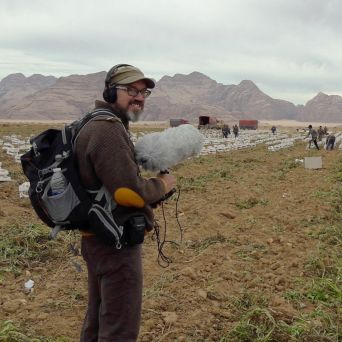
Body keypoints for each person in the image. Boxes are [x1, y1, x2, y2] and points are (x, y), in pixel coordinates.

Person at [76, 64, 176, 342]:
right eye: (130, 90)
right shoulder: (107, 130)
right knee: (119, 327)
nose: (139, 97)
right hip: (115, 243)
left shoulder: (93, 121)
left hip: (97, 239)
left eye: (143, 92)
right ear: (110, 92)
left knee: (98, 320)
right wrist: (162, 185)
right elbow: (128, 193)